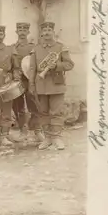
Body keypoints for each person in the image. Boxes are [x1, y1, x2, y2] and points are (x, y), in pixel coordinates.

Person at [28, 22, 75, 150]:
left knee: (56, 112)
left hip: (56, 84)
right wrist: (31, 84)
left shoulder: (61, 47)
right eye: (44, 30)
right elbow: (32, 69)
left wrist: (57, 65)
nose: (47, 32)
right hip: (41, 84)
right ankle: (47, 137)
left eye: (49, 30)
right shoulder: (36, 49)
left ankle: (57, 137)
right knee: (43, 112)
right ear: (41, 33)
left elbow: (70, 64)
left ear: (53, 32)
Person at [11, 22, 43, 143]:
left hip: (30, 80)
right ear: (16, 32)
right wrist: (14, 73)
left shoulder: (33, 47)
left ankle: (37, 130)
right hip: (18, 80)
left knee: (34, 104)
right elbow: (10, 64)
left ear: (28, 32)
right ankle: (22, 130)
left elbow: (35, 63)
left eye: (24, 29)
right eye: (20, 29)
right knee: (17, 105)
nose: (22, 31)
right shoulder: (12, 47)